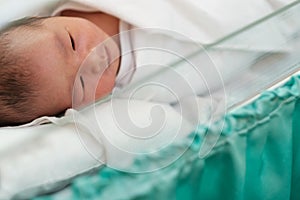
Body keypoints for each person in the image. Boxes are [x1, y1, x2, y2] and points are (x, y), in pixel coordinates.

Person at [0, 0, 291, 126]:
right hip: (276, 32)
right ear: (72, 109)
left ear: (45, 18)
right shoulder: (137, 95)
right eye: (83, 80)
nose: (93, 57)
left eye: (73, 44)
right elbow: (208, 104)